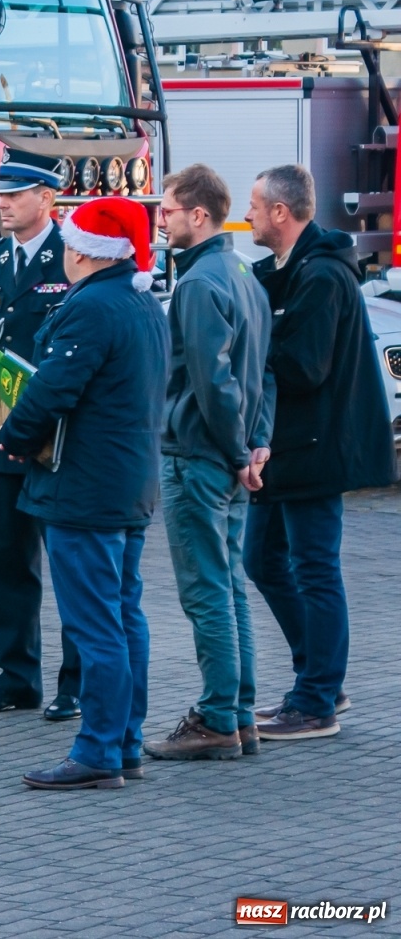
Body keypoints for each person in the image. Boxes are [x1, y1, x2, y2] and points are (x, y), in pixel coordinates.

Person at [0, 196, 168, 790]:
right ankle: (125, 743)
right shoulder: (143, 304)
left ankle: (98, 750)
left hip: (84, 486)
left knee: (96, 624)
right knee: (124, 616)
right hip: (128, 483)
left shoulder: (92, 307)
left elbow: (53, 390)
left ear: (81, 251)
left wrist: (14, 435)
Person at [241, 165, 394, 740]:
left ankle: (317, 701)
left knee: (314, 570)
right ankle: (321, 680)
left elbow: (304, 365)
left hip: (313, 447)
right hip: (284, 448)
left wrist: (245, 348)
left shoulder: (323, 276)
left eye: (256, 205)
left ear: (282, 212)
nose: (249, 213)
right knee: (262, 561)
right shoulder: (289, 270)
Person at [144, 164, 273, 763]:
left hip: (197, 456)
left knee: (206, 592)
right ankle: (239, 715)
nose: (161, 219)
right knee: (230, 588)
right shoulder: (245, 273)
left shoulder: (199, 284)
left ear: (198, 215)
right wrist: (254, 447)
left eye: (167, 210)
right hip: (230, 457)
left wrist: (231, 451)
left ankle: (218, 716)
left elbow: (211, 381)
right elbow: (262, 374)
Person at [0, 151, 82, 722]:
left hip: (60, 431)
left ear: (48, 198)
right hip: (5, 425)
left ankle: (75, 683)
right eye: (0, 194)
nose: (2, 202)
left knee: (68, 561)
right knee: (6, 558)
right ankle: (16, 675)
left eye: (16, 194)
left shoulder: (76, 256)